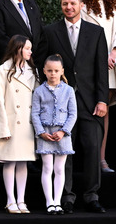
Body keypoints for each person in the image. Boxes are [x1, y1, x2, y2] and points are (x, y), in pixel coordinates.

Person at [43, 0, 108, 214]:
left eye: (72, 3)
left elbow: (101, 69)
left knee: (91, 148)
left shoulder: (96, 32)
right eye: (64, 4)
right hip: (60, 103)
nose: (68, 7)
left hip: (90, 101)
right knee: (64, 151)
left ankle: (91, 196)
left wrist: (102, 99)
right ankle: (66, 197)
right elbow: (45, 66)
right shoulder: (50, 31)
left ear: (81, 5)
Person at [80, 0, 116, 173]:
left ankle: (101, 158)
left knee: (104, 111)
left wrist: (114, 53)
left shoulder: (114, 8)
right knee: (87, 111)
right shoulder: (83, 7)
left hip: (108, 67)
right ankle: (86, 158)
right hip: (89, 68)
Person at [0, 35, 37, 214]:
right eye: (27, 48)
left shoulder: (32, 71)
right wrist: (3, 128)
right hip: (10, 124)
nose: (30, 51)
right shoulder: (2, 71)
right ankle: (10, 200)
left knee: (23, 163)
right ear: (18, 48)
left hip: (26, 125)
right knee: (10, 163)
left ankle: (21, 200)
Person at [32, 54, 77, 215]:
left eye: (56, 70)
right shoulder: (39, 91)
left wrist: (64, 131)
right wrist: (41, 132)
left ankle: (58, 202)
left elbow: (73, 114)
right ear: (44, 70)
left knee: (59, 168)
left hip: (62, 134)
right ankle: (49, 202)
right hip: (45, 134)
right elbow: (34, 114)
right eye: (49, 70)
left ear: (62, 71)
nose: (53, 73)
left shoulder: (69, 90)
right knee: (47, 167)